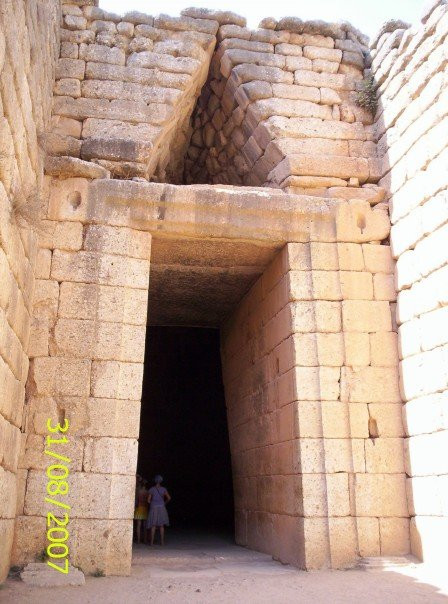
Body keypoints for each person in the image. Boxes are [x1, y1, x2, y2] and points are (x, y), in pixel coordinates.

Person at [147, 474, 171, 545]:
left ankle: (151, 543)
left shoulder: (152, 489)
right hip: (162, 507)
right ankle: (162, 542)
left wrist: (152, 503)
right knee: (161, 526)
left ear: (155, 481)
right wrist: (164, 503)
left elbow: (148, 500)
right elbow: (169, 498)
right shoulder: (164, 489)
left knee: (153, 525)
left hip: (154, 508)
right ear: (161, 481)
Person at [133, 476, 149, 544]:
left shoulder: (138, 492)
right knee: (145, 525)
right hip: (145, 508)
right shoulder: (147, 492)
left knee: (138, 526)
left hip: (139, 508)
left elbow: (136, 500)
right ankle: (145, 540)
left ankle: (138, 540)